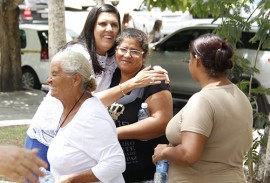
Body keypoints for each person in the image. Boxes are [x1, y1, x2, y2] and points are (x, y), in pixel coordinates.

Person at [24, 4, 168, 170]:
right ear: (91, 26)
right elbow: (81, 103)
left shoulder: (111, 57)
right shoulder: (78, 54)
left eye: (114, 25)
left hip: (75, 142)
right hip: (47, 138)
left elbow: (132, 57)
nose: (109, 29)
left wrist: (154, 70)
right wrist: (131, 84)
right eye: (103, 24)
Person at [152, 33, 253, 182]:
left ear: (197, 61)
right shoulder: (241, 97)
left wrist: (164, 151)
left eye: (190, 58)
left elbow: (188, 154)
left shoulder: (202, 101)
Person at [105, 28, 173, 182]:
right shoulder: (111, 77)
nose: (127, 55)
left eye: (134, 51)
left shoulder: (154, 79)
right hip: (113, 173)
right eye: (123, 49)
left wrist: (114, 132)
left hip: (145, 174)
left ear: (144, 55)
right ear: (116, 51)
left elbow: (161, 122)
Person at [46, 51, 125, 183]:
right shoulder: (69, 108)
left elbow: (115, 162)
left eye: (54, 74)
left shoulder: (91, 116)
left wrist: (72, 179)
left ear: (75, 79)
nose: (49, 80)